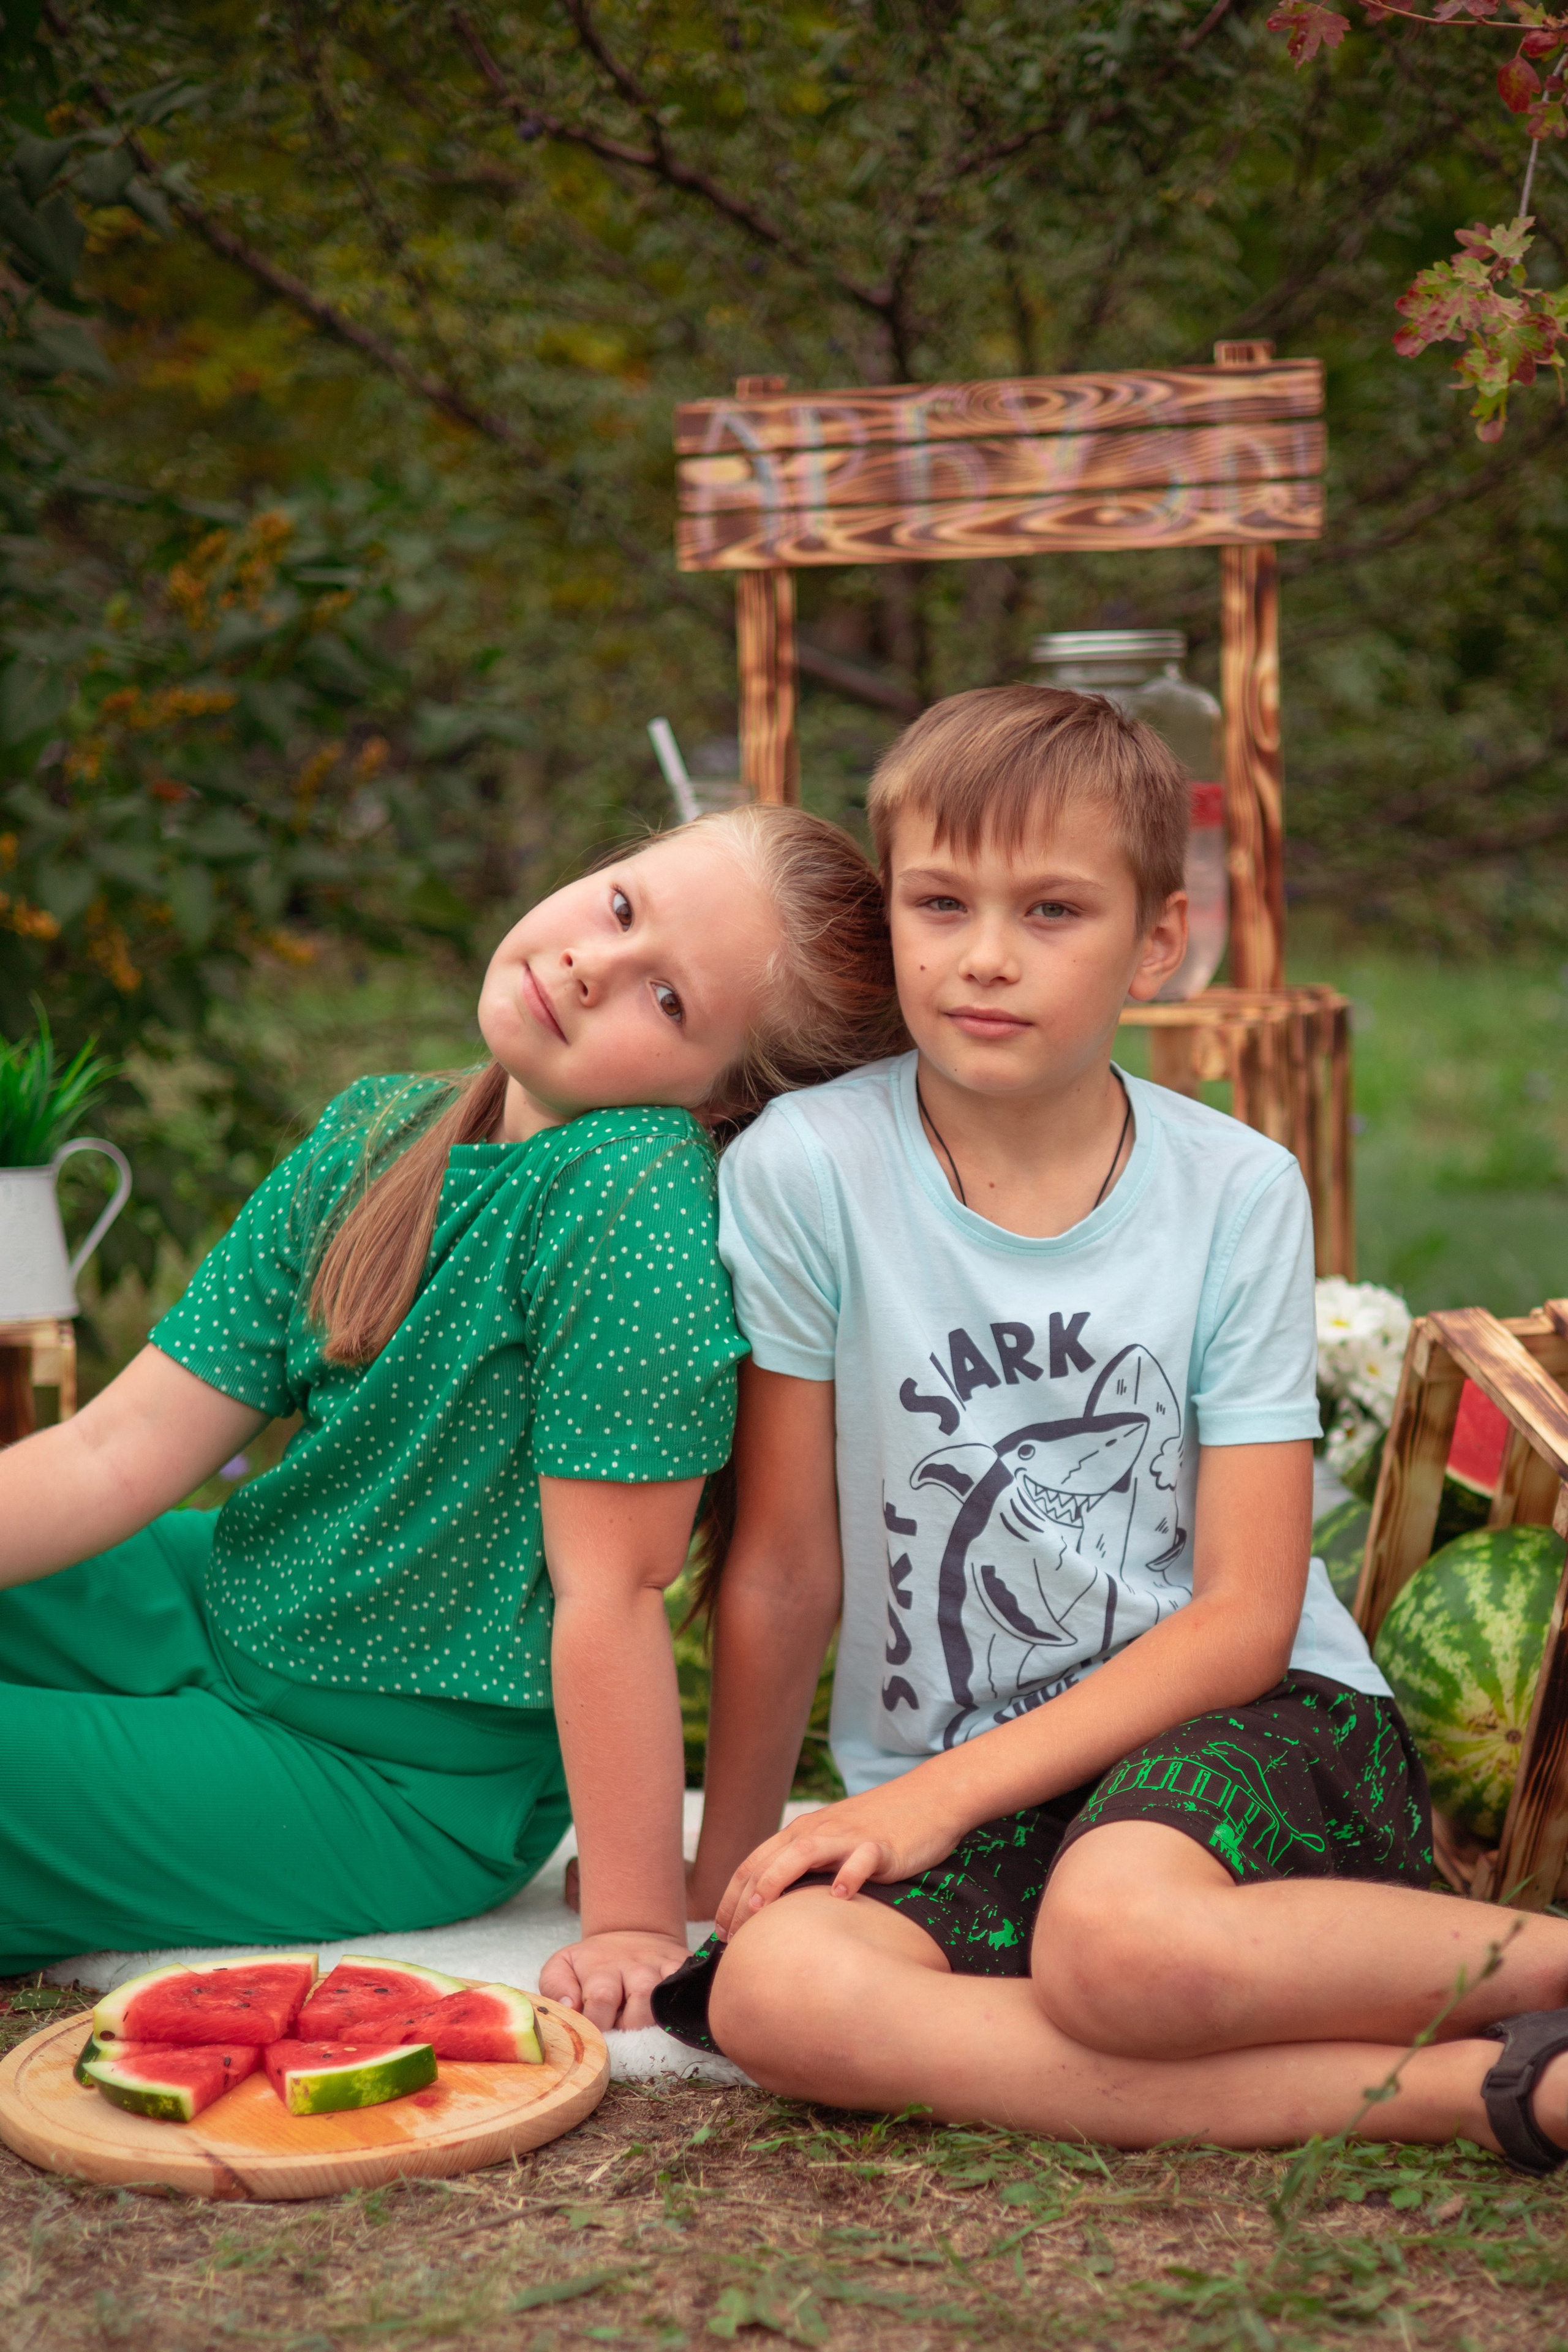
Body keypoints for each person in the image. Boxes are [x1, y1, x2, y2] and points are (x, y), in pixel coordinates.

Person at [652, 687, 1568, 2173]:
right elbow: (780, 1571)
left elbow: (1243, 1619)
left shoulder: (1232, 1189)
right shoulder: (808, 1169)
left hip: (1248, 1722)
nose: (985, 957)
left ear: (1157, 939)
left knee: (1119, 1945)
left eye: (1053, 909)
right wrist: (719, 1879)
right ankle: (1500, 2091)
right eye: (939, 903)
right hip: (973, 1777)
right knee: (774, 1992)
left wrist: (933, 1803)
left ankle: (1541, 1964)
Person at [0, 804, 903, 2032]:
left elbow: (614, 1591)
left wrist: (640, 1921)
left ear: (722, 1104)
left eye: (671, 1003)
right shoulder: (375, 1129)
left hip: (396, 1775)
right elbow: (112, 1451)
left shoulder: (628, 1189)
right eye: (623, 904)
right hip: (228, 1602)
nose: (595, 960)